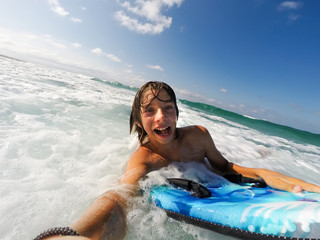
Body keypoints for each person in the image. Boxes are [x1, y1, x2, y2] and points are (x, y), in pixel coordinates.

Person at [35, 81, 320, 240]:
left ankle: (266, 150)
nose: (161, 117)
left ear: (177, 114)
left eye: (168, 109)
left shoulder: (198, 136)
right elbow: (121, 196)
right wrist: (71, 234)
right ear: (138, 119)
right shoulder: (145, 158)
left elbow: (229, 168)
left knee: (259, 157)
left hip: (210, 175)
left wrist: (296, 184)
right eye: (150, 111)